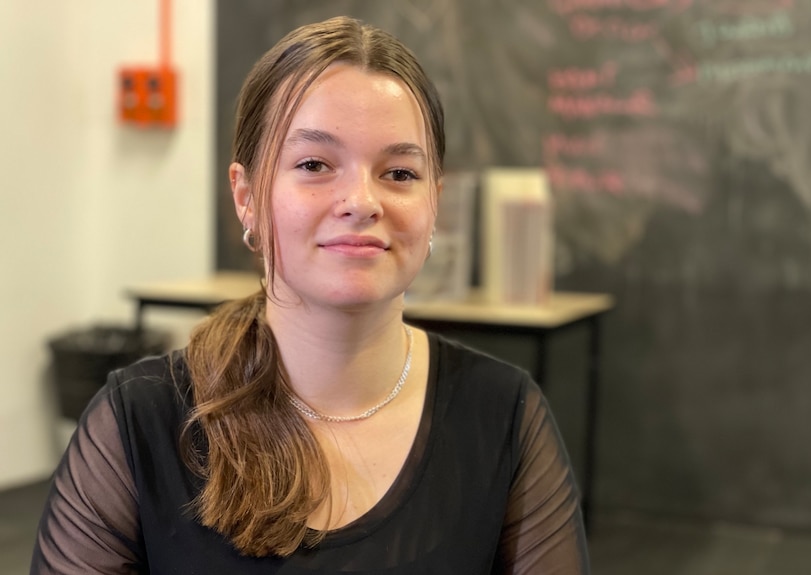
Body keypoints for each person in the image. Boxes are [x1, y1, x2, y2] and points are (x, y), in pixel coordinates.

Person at [31, 15, 589, 574]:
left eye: (399, 173)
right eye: (314, 165)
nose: (361, 200)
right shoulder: (140, 422)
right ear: (247, 195)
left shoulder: (503, 414)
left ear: (434, 203)